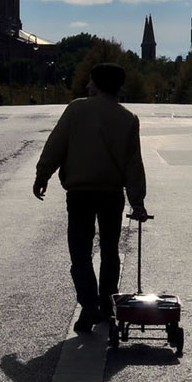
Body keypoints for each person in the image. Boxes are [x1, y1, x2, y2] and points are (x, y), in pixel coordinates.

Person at [33, 63, 149, 333]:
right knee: (110, 251)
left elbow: (56, 145)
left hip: (80, 193)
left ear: (97, 84)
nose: (87, 86)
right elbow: (133, 163)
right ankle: (107, 305)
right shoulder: (128, 118)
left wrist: (42, 175)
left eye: (90, 81)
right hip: (111, 194)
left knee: (80, 252)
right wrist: (137, 201)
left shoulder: (76, 109)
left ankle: (88, 305)